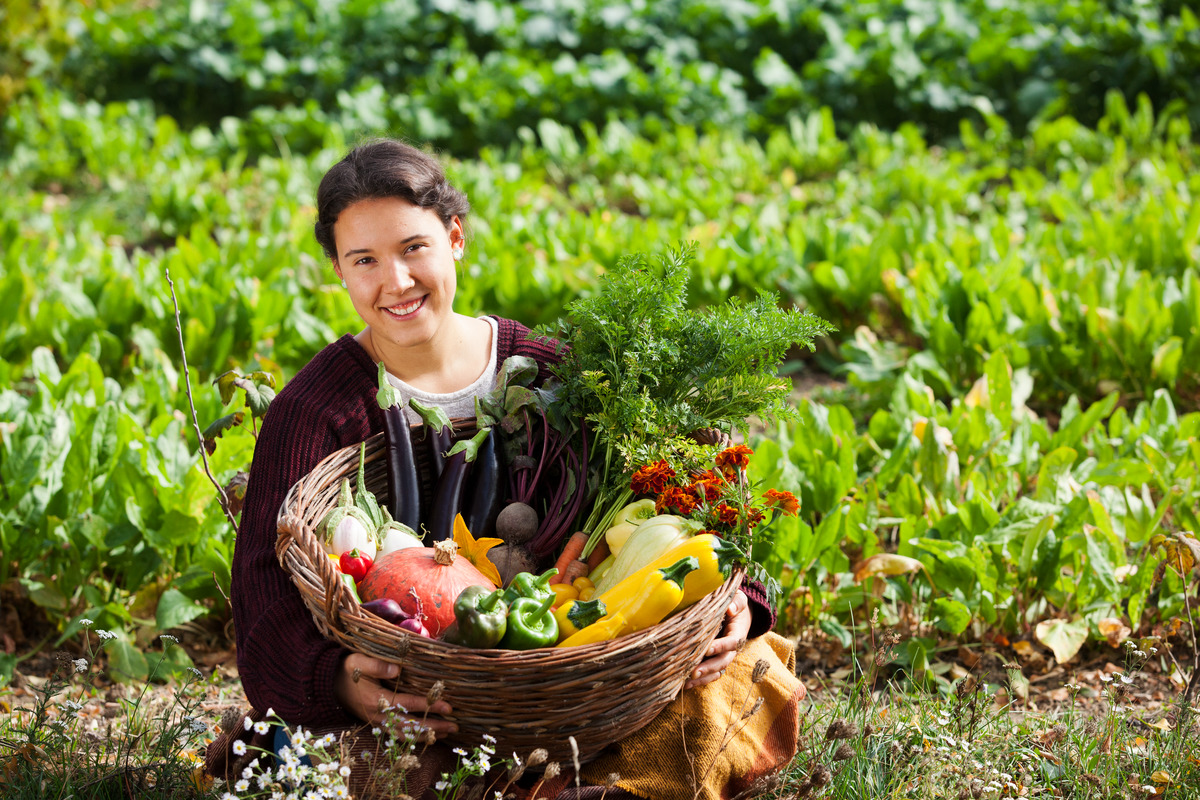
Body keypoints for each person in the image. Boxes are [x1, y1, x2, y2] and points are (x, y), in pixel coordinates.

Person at [210, 139, 798, 798]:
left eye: (414, 248)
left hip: (590, 678)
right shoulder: (316, 411)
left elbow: (700, 497)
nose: (396, 281)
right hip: (433, 703)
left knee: (742, 674)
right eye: (365, 260)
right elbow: (262, 604)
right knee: (397, 764)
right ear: (340, 272)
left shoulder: (551, 370)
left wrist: (737, 603)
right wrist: (336, 678)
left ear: (455, 237)